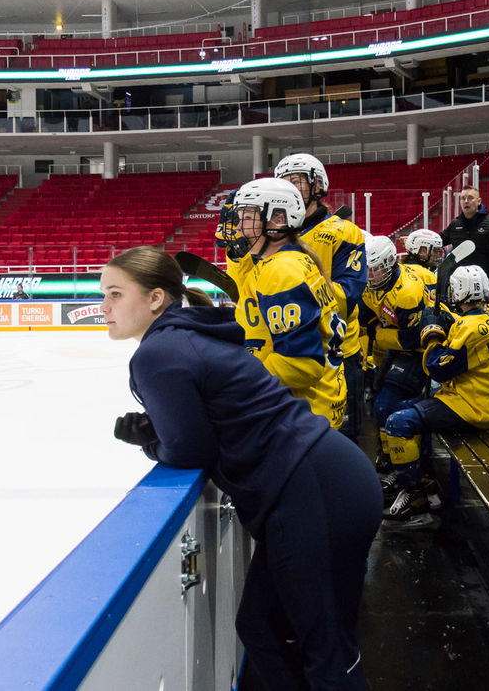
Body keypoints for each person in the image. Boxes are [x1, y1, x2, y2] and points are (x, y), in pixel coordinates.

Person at [102, 245, 381, 691]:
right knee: (262, 628)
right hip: (322, 479)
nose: (104, 307)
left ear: (155, 299)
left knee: (324, 646)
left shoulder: (157, 353)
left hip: (315, 488)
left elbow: (189, 448)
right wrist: (160, 428)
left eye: (115, 294)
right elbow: (212, 415)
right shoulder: (183, 336)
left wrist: (152, 443)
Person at [382, 265, 489, 527]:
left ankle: (414, 494)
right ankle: (414, 475)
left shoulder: (469, 329)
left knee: (398, 422)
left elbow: (437, 368)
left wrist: (431, 333)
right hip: (483, 397)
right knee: (403, 407)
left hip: (473, 407)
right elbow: (471, 329)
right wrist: (449, 318)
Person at [221, 177, 349, 431]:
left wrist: (241, 384)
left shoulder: (282, 271)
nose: (239, 228)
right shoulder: (291, 261)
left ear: (278, 219)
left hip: (302, 415)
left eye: (247, 217)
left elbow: (300, 363)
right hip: (313, 407)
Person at [274, 153, 368, 442]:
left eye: (296, 181)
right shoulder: (273, 234)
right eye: (283, 183)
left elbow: (347, 300)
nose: (289, 188)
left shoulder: (344, 232)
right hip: (290, 353)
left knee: (342, 443)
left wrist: (306, 286)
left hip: (336, 354)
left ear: (317, 185)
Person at [357, 235, 433, 476]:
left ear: (389, 264)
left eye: (375, 270)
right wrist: (380, 330)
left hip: (418, 352)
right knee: (379, 400)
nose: (368, 275)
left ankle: (406, 471)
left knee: (387, 405)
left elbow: (411, 339)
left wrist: (379, 334)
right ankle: (389, 457)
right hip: (397, 345)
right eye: (366, 269)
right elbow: (365, 316)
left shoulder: (407, 293)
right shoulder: (371, 283)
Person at [439, 185, 489, 305]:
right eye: (463, 198)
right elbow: (439, 240)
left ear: (479, 201)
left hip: (485, 290)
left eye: (470, 198)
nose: (466, 201)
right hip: (460, 290)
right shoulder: (455, 224)